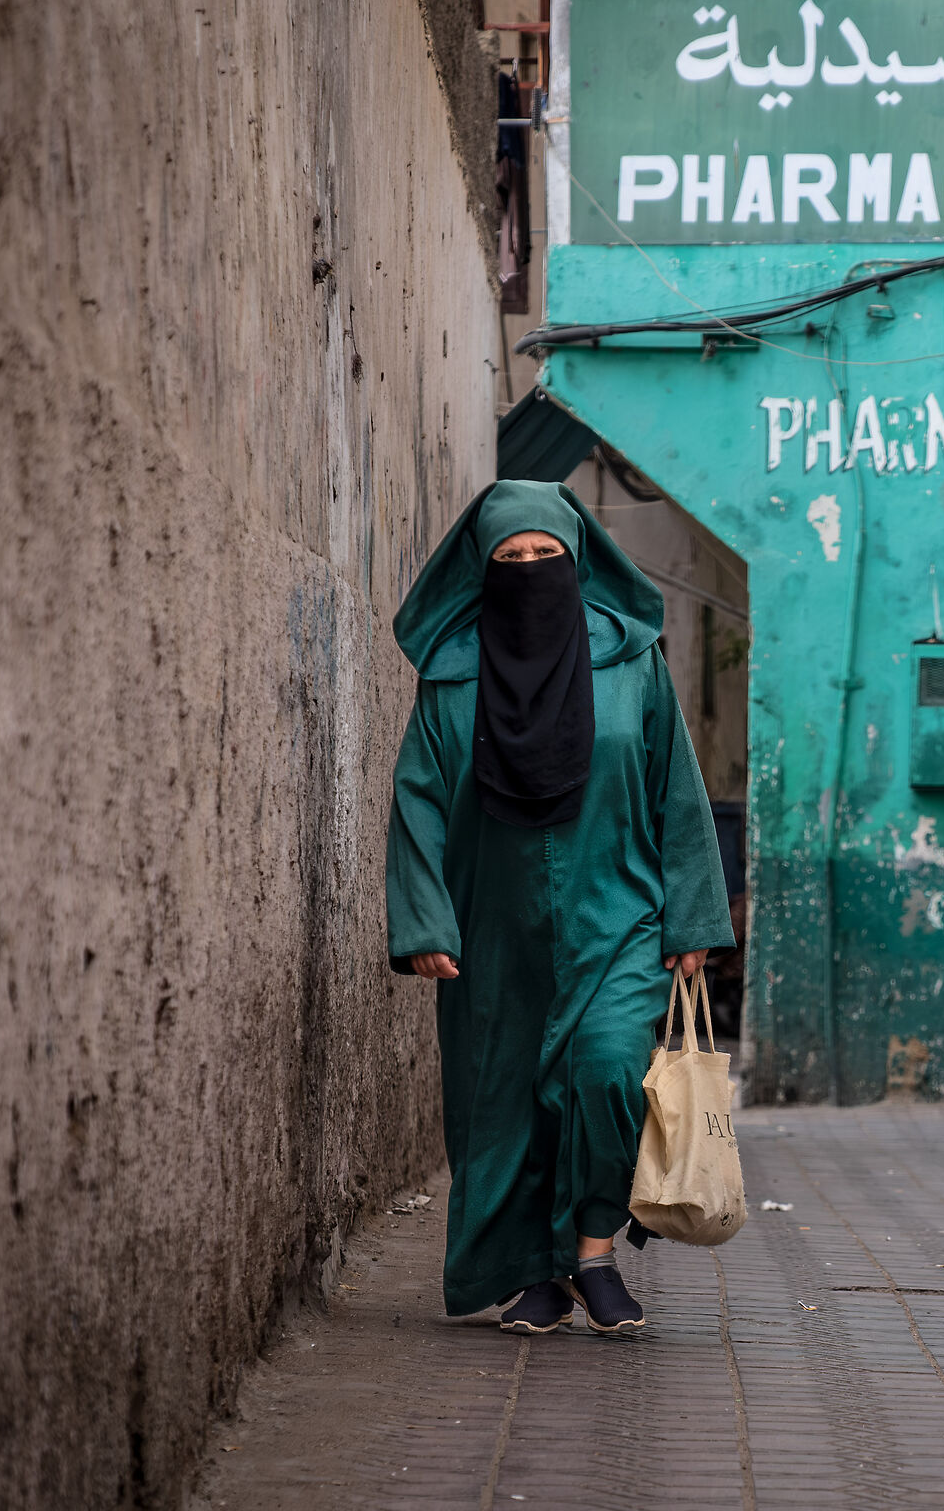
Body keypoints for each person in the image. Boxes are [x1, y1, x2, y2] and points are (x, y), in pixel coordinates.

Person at [384, 479, 734, 1335]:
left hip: (618, 914)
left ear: (577, 563)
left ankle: (593, 1252)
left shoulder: (629, 662)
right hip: (492, 929)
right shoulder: (453, 676)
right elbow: (418, 800)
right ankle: (531, 1274)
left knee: (609, 1074)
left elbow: (675, 791)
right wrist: (424, 922)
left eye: (549, 556)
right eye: (513, 558)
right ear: (484, 567)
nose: (533, 570)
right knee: (505, 1102)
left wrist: (692, 919)